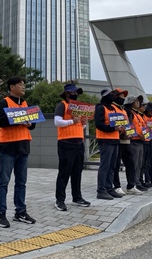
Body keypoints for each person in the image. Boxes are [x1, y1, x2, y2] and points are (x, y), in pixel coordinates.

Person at [0, 76, 36, 228]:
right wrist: (18, 120)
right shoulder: (5, 102)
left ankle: (20, 212)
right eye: (20, 84)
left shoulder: (26, 104)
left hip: (23, 147)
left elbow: (32, 125)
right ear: (12, 87)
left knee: (21, 182)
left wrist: (30, 123)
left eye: (24, 84)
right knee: (3, 182)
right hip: (8, 147)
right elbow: (1, 122)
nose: (23, 87)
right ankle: (0, 213)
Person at [54, 83, 91, 211]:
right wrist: (72, 121)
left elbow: (79, 126)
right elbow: (57, 121)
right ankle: (60, 200)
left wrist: (83, 124)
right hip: (66, 143)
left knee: (77, 172)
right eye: (73, 92)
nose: (75, 94)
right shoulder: (62, 105)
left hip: (78, 143)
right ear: (66, 93)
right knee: (64, 172)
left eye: (77, 93)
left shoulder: (79, 108)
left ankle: (77, 197)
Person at [94, 88, 126, 200]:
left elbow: (117, 123)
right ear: (104, 96)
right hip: (105, 140)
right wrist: (113, 128)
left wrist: (121, 128)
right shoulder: (100, 108)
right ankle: (101, 190)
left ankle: (109, 188)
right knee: (105, 166)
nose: (112, 96)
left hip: (115, 140)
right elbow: (99, 124)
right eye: (110, 95)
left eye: (113, 94)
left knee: (112, 166)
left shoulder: (113, 109)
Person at [124, 94, 148, 192]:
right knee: (133, 164)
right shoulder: (130, 113)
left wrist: (145, 134)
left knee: (139, 164)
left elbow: (142, 127)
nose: (138, 103)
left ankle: (137, 182)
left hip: (140, 140)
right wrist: (139, 134)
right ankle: (133, 183)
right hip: (133, 140)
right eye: (136, 101)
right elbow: (129, 126)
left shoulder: (137, 114)